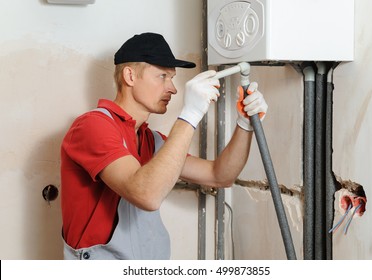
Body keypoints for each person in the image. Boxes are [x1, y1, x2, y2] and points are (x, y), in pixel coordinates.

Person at [60, 32, 268, 260]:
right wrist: (190, 114)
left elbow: (220, 175)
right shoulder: (92, 126)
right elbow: (146, 194)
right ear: (130, 76)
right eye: (162, 76)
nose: (173, 88)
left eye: (172, 78)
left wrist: (245, 124)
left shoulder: (151, 140)